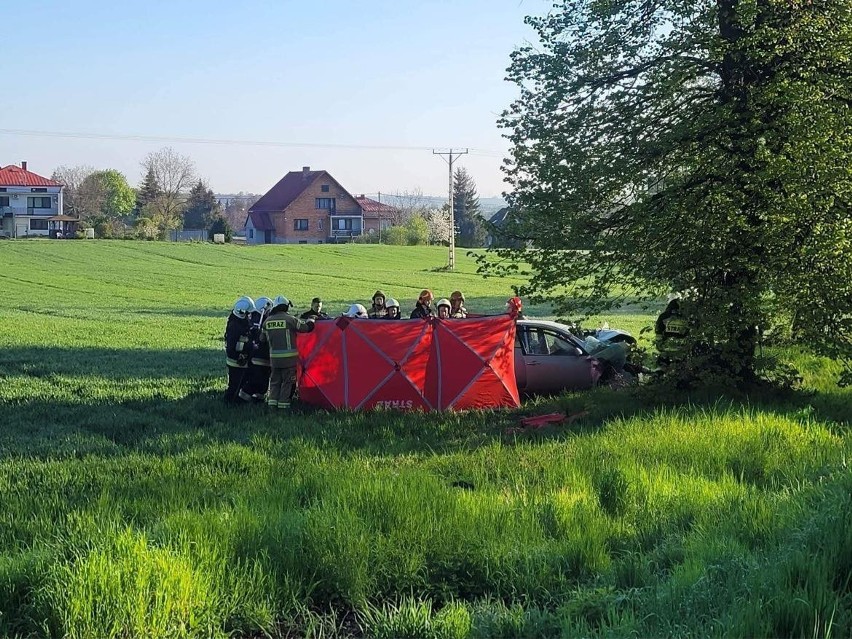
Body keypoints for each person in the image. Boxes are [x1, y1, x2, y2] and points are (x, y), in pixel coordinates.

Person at [263, 295, 315, 410]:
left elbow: (262, 339)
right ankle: (283, 406)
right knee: (287, 383)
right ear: (286, 307)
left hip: (274, 360)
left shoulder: (267, 321)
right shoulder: (290, 319)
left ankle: (272, 405)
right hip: (289, 359)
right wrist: (311, 319)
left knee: (275, 382)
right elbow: (306, 328)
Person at [224, 296, 255, 404]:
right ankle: (229, 403)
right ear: (242, 312)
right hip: (236, 360)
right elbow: (234, 345)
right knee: (234, 385)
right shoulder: (235, 326)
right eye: (248, 313)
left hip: (240, 358)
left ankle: (236, 402)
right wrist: (249, 347)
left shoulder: (238, 322)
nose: (249, 316)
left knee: (240, 383)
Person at [655, 298, 689, 370]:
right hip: (681, 351)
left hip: (666, 351)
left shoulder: (664, 317)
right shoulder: (687, 318)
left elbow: (658, 334)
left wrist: (660, 348)